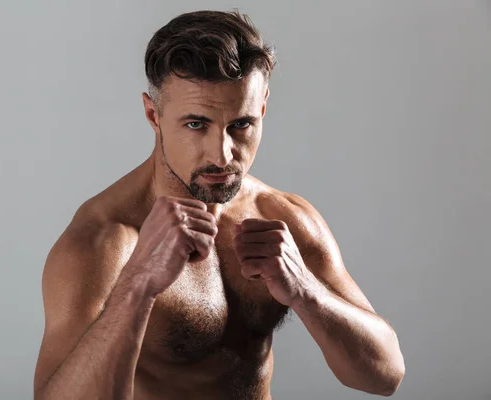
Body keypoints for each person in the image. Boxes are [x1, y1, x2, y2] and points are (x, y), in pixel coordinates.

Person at [33, 9, 405, 400]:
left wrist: (306, 291)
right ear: (153, 115)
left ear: (262, 108)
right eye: (196, 125)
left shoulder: (282, 217)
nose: (223, 155)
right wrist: (137, 286)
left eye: (240, 125)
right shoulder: (104, 241)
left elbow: (384, 376)